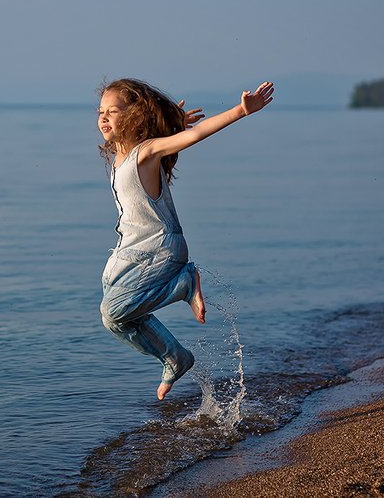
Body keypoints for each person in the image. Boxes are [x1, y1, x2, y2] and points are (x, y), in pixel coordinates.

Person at [97, 78, 274, 400]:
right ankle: (175, 358)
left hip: (159, 250)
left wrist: (240, 111)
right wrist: (173, 123)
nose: (104, 118)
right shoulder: (119, 157)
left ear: (136, 116)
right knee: (117, 320)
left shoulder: (146, 153)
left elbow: (194, 136)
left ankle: (184, 284)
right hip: (131, 250)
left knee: (113, 310)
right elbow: (178, 133)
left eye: (114, 111)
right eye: (101, 112)